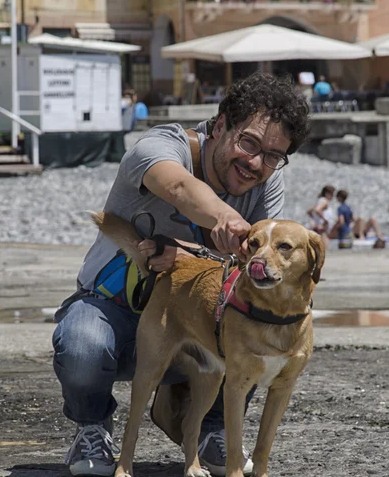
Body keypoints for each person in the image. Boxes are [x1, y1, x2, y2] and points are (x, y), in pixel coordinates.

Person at [52, 72, 310, 477]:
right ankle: (91, 427)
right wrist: (225, 218)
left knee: (255, 323)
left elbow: (257, 267)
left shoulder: (267, 181)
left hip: (199, 321)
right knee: (83, 346)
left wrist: (191, 252)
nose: (257, 164)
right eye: (249, 143)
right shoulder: (160, 146)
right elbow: (177, 187)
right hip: (116, 312)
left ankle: (211, 429)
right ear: (221, 124)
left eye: (274, 155)